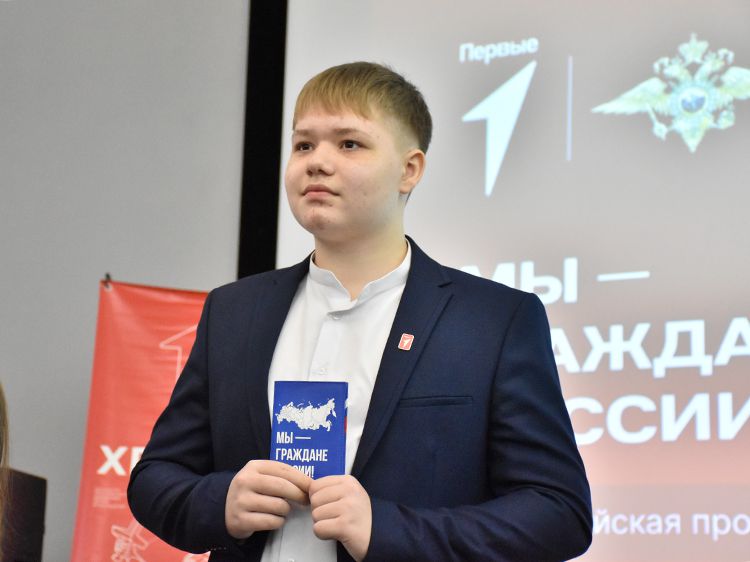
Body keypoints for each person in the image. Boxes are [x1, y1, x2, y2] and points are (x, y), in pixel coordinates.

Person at [128, 62, 592, 562]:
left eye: (349, 144)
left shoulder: (493, 321)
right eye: (303, 145)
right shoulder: (234, 312)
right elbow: (155, 478)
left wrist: (388, 529)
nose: (317, 162)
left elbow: (558, 512)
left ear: (409, 170)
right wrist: (221, 503)